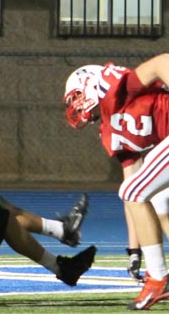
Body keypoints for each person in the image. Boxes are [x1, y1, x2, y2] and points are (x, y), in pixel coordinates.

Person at [62, 53, 169, 310]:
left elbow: (162, 62)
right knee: (157, 199)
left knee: (139, 191)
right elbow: (131, 192)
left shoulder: (119, 89)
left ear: (91, 83)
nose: (76, 104)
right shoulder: (110, 130)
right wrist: (135, 250)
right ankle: (158, 275)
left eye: (77, 95)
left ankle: (159, 278)